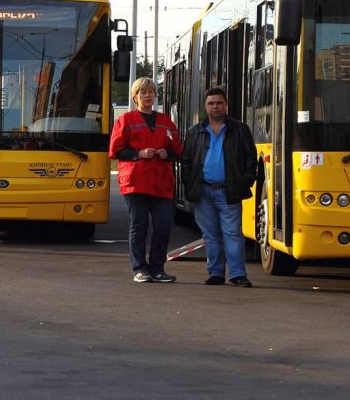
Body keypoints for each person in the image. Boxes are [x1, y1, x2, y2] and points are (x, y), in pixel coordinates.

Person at [180, 86, 258, 287]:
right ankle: (215, 273)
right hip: (203, 192)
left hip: (228, 191)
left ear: (226, 105)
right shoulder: (195, 131)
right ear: (205, 107)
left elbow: (251, 159)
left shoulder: (240, 130)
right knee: (211, 236)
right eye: (211, 103)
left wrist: (244, 181)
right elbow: (186, 161)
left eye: (219, 103)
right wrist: (190, 184)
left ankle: (238, 275)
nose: (216, 107)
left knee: (232, 234)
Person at [109, 76, 182, 282]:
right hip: (135, 181)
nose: (147, 96)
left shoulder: (166, 122)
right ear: (135, 97)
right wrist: (139, 154)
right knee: (139, 225)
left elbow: (178, 150)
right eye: (143, 92)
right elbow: (115, 151)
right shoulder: (125, 121)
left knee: (163, 225)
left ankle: (158, 268)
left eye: (151, 92)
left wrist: (168, 154)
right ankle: (140, 268)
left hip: (161, 181)